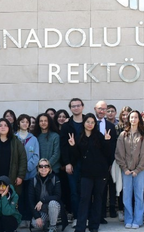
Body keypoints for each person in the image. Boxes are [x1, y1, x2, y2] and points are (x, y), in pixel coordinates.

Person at [67, 113, 113, 232]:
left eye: (92, 122)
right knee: (84, 199)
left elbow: (108, 154)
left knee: (97, 200)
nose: (90, 124)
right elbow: (77, 157)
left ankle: (94, 227)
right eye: (88, 122)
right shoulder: (79, 137)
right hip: (86, 174)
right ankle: (80, 227)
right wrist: (72, 146)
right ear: (84, 123)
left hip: (100, 173)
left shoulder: (99, 136)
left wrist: (107, 141)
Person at [115, 110, 144, 229]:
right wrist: (124, 168)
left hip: (139, 171)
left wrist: (138, 169)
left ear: (139, 119)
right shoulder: (123, 134)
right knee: (126, 196)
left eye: (135, 117)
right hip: (126, 171)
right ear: (128, 119)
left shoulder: (143, 135)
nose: (133, 119)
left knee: (139, 195)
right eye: (131, 117)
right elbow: (119, 152)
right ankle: (128, 219)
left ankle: (138, 220)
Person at [59, 98, 85, 226]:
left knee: (85, 192)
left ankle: (85, 217)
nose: (76, 108)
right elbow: (63, 146)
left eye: (78, 105)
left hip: (87, 163)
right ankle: (76, 217)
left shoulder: (88, 121)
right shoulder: (66, 126)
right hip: (72, 164)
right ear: (70, 108)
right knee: (74, 192)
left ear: (82, 107)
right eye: (73, 106)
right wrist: (67, 163)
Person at [14, 114, 40, 229]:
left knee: (29, 197)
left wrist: (26, 168)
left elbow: (36, 156)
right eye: (22, 121)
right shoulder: (14, 138)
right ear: (18, 123)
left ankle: (28, 218)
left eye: (27, 122)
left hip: (30, 174)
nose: (25, 123)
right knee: (20, 196)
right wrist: (19, 170)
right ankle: (21, 218)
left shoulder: (33, 139)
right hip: (17, 175)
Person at [28, 158, 65, 232]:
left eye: (46, 166)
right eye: (41, 166)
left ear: (49, 168)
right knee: (36, 225)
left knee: (52, 203)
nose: (43, 168)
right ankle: (47, 222)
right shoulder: (33, 181)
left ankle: (52, 227)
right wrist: (37, 216)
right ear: (38, 168)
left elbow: (57, 196)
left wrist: (42, 200)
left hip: (54, 208)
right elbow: (30, 200)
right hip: (42, 210)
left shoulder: (55, 178)